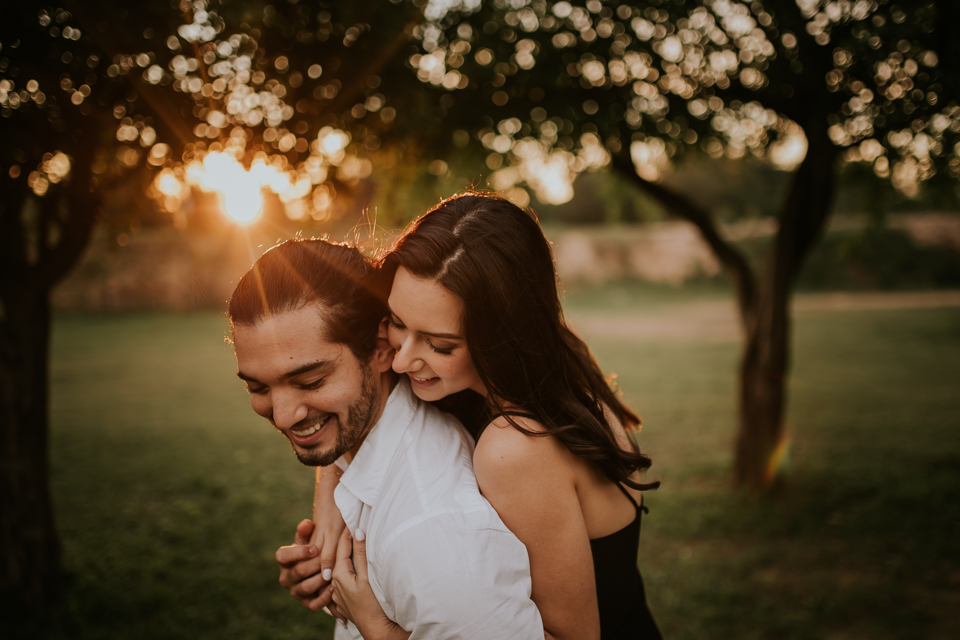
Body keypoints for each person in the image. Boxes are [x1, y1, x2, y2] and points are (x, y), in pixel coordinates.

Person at [281, 193, 662, 640]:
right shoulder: (561, 359)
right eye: (397, 322)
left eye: (440, 345)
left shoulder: (514, 447)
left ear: (500, 335)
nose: (401, 360)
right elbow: (361, 410)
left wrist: (378, 629)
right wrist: (331, 512)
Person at [229, 238, 544, 640]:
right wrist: (325, 568)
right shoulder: (365, 443)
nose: (283, 415)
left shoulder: (432, 535)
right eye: (258, 387)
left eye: (311, 381)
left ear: (380, 349)